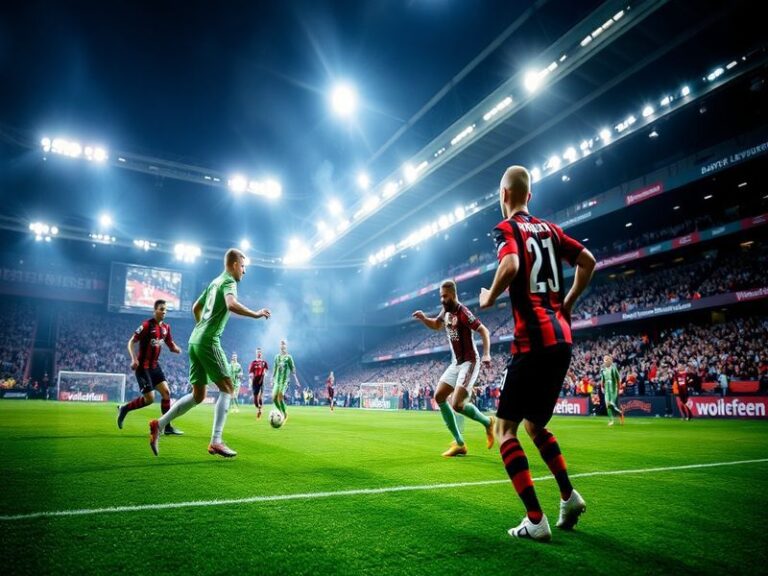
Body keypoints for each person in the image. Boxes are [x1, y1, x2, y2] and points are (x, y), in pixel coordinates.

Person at [479, 165, 596, 542]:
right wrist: (568, 303)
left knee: (504, 430)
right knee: (535, 424)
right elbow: (588, 261)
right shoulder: (552, 230)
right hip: (562, 339)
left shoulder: (506, 229)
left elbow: (512, 264)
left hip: (532, 341)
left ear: (504, 195)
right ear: (529, 196)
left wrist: (489, 296)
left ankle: (535, 519)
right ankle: (569, 497)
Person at [148, 249, 271, 457]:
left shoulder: (215, 282)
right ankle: (216, 441)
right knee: (228, 388)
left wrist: (201, 328)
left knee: (198, 395)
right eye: (243, 266)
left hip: (194, 340)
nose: (244, 271)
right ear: (234, 265)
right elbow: (231, 304)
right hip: (207, 341)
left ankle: (158, 424)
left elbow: (195, 307)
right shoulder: (229, 281)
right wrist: (255, 314)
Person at [412, 279, 495, 457]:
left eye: (445, 296)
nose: (442, 300)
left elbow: (484, 331)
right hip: (456, 363)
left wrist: (487, 354)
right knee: (439, 396)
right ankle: (459, 444)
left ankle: (488, 422)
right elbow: (436, 324)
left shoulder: (463, 312)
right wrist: (424, 319)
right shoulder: (446, 311)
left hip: (469, 362)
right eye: (441, 296)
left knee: (457, 404)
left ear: (453, 294)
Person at [118, 299, 183, 435]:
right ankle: (124, 409)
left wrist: (176, 349)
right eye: (161, 309)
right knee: (150, 399)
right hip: (143, 367)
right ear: (155, 311)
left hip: (155, 366)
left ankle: (167, 427)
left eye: (165, 310)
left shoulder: (166, 328)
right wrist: (134, 359)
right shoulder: (146, 325)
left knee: (166, 393)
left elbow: (170, 344)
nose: (164, 312)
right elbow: (131, 342)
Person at [271, 339, 300, 422]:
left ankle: (284, 413)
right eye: (281, 344)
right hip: (277, 381)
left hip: (284, 381)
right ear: (279, 346)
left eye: (284, 344)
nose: (282, 345)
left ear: (286, 346)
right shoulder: (276, 357)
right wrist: (272, 378)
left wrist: (296, 380)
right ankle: (280, 412)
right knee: (274, 398)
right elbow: (274, 368)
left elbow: (293, 370)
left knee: (280, 396)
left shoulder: (289, 357)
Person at [600, 355, 625, 426]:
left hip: (613, 388)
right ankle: (612, 419)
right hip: (606, 388)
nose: (605, 361)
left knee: (611, 404)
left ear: (610, 360)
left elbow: (618, 378)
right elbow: (602, 379)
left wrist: (619, 388)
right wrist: (602, 387)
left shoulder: (614, 368)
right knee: (607, 405)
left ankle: (619, 414)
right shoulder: (603, 369)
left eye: (606, 359)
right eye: (604, 360)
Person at [248, 347, 269, 419]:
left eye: (260, 352)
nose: (259, 353)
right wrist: (250, 382)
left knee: (260, 396)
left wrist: (265, 373)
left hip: (261, 381)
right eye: (257, 352)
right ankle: (259, 408)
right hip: (255, 382)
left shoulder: (264, 362)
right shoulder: (253, 363)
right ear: (256, 353)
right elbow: (250, 373)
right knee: (255, 399)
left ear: (261, 353)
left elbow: (266, 370)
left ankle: (260, 410)